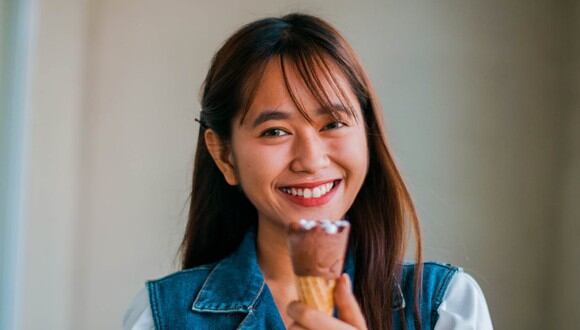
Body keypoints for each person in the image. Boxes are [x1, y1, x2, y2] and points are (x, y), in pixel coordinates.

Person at [123, 13, 493, 330]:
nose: (311, 159)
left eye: (332, 123)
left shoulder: (443, 306)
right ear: (225, 156)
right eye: (275, 131)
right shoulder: (162, 316)